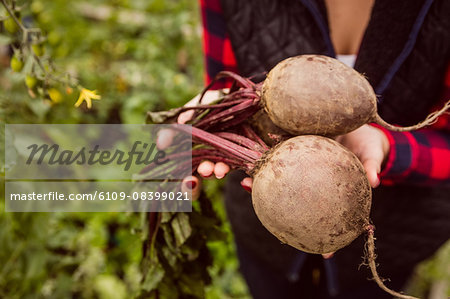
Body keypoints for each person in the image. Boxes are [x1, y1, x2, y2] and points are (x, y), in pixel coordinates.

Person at [163, 0, 450, 298]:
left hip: (398, 234)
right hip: (266, 242)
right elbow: (227, 87)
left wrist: (388, 145)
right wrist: (214, 117)